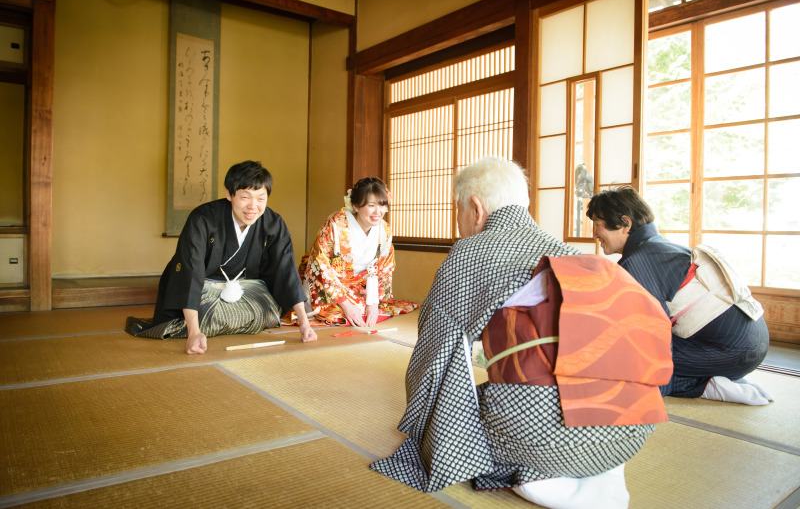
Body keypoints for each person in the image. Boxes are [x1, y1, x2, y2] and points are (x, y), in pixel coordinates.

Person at [371, 158, 670, 508]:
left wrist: (423, 426)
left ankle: (544, 474)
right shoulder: (568, 253)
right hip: (632, 431)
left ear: (476, 208)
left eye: (458, 210)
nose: (458, 221)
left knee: (455, 422)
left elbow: (434, 356)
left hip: (545, 437)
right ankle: (595, 471)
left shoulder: (470, 253)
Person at [586, 186, 773, 406]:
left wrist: (655, 388)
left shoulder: (638, 260)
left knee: (621, 357)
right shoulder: (660, 247)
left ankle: (707, 386)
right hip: (751, 342)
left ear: (625, 223)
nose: (595, 233)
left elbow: (653, 334)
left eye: (598, 224)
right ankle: (718, 376)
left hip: (734, 352)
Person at [126, 160, 317, 353]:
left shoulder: (273, 223)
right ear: (229, 194)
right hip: (202, 290)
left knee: (267, 313)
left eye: (261, 198)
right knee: (197, 314)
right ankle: (198, 324)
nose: (253, 206)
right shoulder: (203, 218)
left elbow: (286, 270)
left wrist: (304, 323)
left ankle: (215, 323)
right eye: (245, 197)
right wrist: (193, 333)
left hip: (244, 290)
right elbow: (191, 272)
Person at [299, 177, 418, 327]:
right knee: (334, 314)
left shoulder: (384, 230)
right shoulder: (335, 225)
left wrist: (373, 301)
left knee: (372, 312)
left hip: (360, 288)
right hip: (330, 286)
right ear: (355, 206)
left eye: (382, 205)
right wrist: (346, 305)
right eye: (371, 205)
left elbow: (384, 269)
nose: (378, 212)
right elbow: (320, 265)